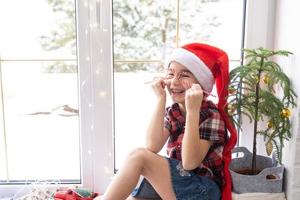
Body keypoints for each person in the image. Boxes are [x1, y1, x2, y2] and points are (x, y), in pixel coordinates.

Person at [98, 43, 237, 200]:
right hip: (179, 182)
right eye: (171, 74)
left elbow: (190, 163)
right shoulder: (174, 111)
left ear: (201, 85)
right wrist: (160, 99)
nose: (175, 82)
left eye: (184, 75)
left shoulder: (211, 115)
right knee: (132, 182)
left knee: (138, 157)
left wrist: (192, 112)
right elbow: (152, 146)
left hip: (202, 190)